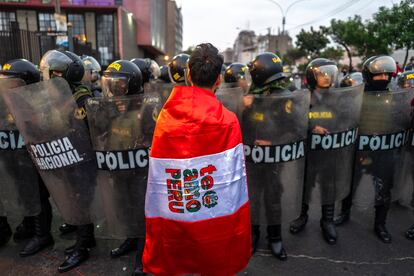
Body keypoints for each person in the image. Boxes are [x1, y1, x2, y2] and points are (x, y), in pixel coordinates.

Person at [142, 43, 251, 275]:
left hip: (178, 205)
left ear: (188, 75)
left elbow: (160, 176)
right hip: (213, 212)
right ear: (219, 80)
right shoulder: (229, 120)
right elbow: (232, 183)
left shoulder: (166, 117)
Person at [23, 50, 97, 272]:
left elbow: (85, 132)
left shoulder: (81, 98)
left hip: (79, 161)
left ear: (58, 75)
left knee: (80, 200)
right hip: (65, 158)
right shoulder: (58, 97)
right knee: (72, 199)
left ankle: (82, 246)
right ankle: (86, 239)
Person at [336, 55, 398, 243]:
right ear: (369, 75)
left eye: (387, 75)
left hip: (384, 150)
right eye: (379, 75)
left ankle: (380, 224)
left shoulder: (394, 96)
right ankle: (345, 213)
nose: (384, 78)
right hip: (359, 149)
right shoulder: (357, 95)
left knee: (384, 189)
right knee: (350, 183)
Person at [0, 59, 42, 247]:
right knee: (20, 191)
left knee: (36, 193)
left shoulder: (35, 102)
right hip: (11, 155)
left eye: (11, 81)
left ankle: (41, 233)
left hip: (30, 157)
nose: (6, 85)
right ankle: (28, 223)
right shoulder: (3, 100)